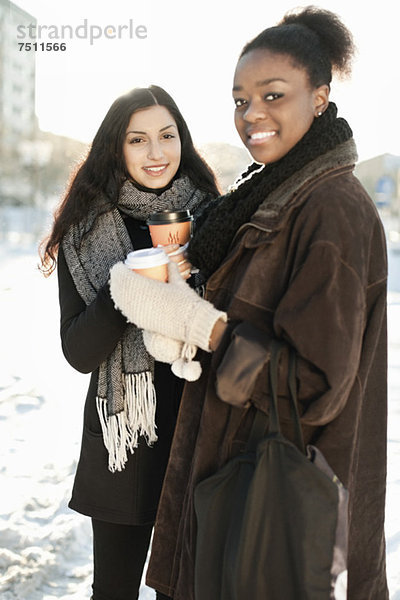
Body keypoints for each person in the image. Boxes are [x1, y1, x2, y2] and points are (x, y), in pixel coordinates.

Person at [107, 7, 389, 599]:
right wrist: (178, 309)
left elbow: (315, 383)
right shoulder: (268, 191)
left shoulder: (330, 209)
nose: (251, 114)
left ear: (319, 96)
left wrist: (202, 327)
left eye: (272, 95)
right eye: (240, 99)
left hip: (271, 498)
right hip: (230, 478)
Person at [39, 85, 220, 600]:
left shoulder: (212, 216)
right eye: (137, 139)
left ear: (183, 140)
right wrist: (126, 291)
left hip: (198, 433)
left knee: (186, 589)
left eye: (167, 136)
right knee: (114, 591)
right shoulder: (85, 229)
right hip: (124, 442)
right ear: (116, 149)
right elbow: (78, 353)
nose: (156, 152)